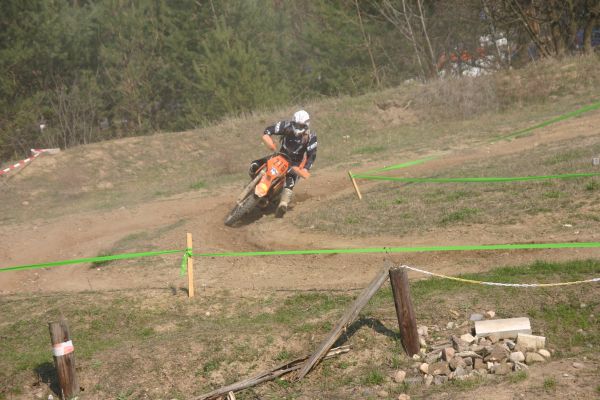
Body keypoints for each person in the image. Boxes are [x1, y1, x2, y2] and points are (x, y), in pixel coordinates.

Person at [249, 109, 317, 217]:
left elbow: (311, 155)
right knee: (254, 165)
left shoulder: (311, 137)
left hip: (294, 164)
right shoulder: (286, 125)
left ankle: (283, 204)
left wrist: (305, 169)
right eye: (296, 125)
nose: (298, 128)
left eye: (301, 126)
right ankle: (253, 184)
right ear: (293, 122)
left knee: (290, 181)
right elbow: (270, 129)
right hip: (279, 156)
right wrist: (267, 135)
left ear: (306, 125)